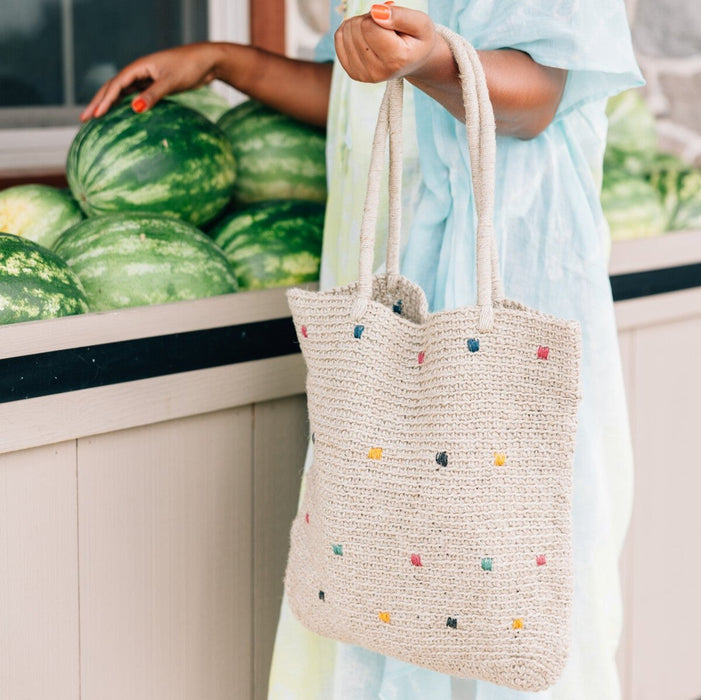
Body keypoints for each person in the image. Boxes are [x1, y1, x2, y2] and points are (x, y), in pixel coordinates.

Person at [82, 2, 643, 698]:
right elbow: (354, 91)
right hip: (392, 314)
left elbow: (538, 99)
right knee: (382, 567)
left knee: (501, 580)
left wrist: (430, 57)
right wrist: (224, 60)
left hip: (499, 297)